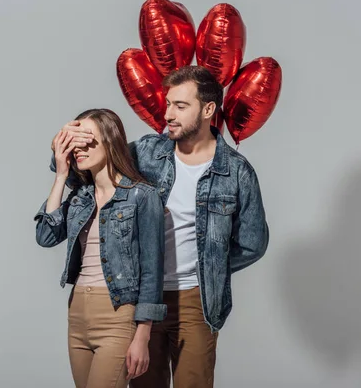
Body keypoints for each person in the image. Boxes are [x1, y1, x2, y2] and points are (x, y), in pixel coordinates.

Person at [51, 66, 269, 388]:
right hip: (139, 301)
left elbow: (253, 242)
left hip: (197, 302)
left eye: (181, 106)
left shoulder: (236, 172)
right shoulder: (145, 153)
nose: (168, 114)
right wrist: (67, 145)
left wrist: (209, 267)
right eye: (168, 104)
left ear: (208, 110)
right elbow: (86, 173)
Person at [34, 108, 167, 387]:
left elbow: (152, 271)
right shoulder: (80, 198)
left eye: (86, 140)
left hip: (117, 315)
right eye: (74, 142)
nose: (79, 149)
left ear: (109, 140)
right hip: (79, 312)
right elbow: (45, 236)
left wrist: (142, 335)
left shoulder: (143, 196)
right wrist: (60, 174)